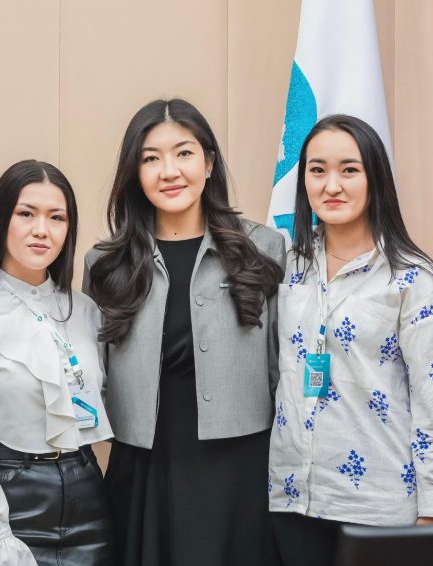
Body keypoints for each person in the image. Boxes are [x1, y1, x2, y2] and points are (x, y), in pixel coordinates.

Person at [84, 99, 285, 565]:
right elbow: (93, 374)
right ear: (134, 172)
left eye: (184, 153)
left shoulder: (263, 248)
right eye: (151, 158)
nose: (169, 171)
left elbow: (283, 370)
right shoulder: (105, 263)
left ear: (209, 162)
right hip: (143, 466)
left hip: (240, 468)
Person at [268, 115, 433, 565]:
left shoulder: (413, 279)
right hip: (292, 500)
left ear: (375, 177)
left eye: (349, 170)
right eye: (317, 170)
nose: (331, 185)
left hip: (379, 507)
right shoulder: (287, 267)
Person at [0, 160, 114, 566]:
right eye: (26, 213)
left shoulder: (86, 311)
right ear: (1, 220)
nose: (41, 230)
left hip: (89, 500)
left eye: (57, 217)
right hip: (8, 505)